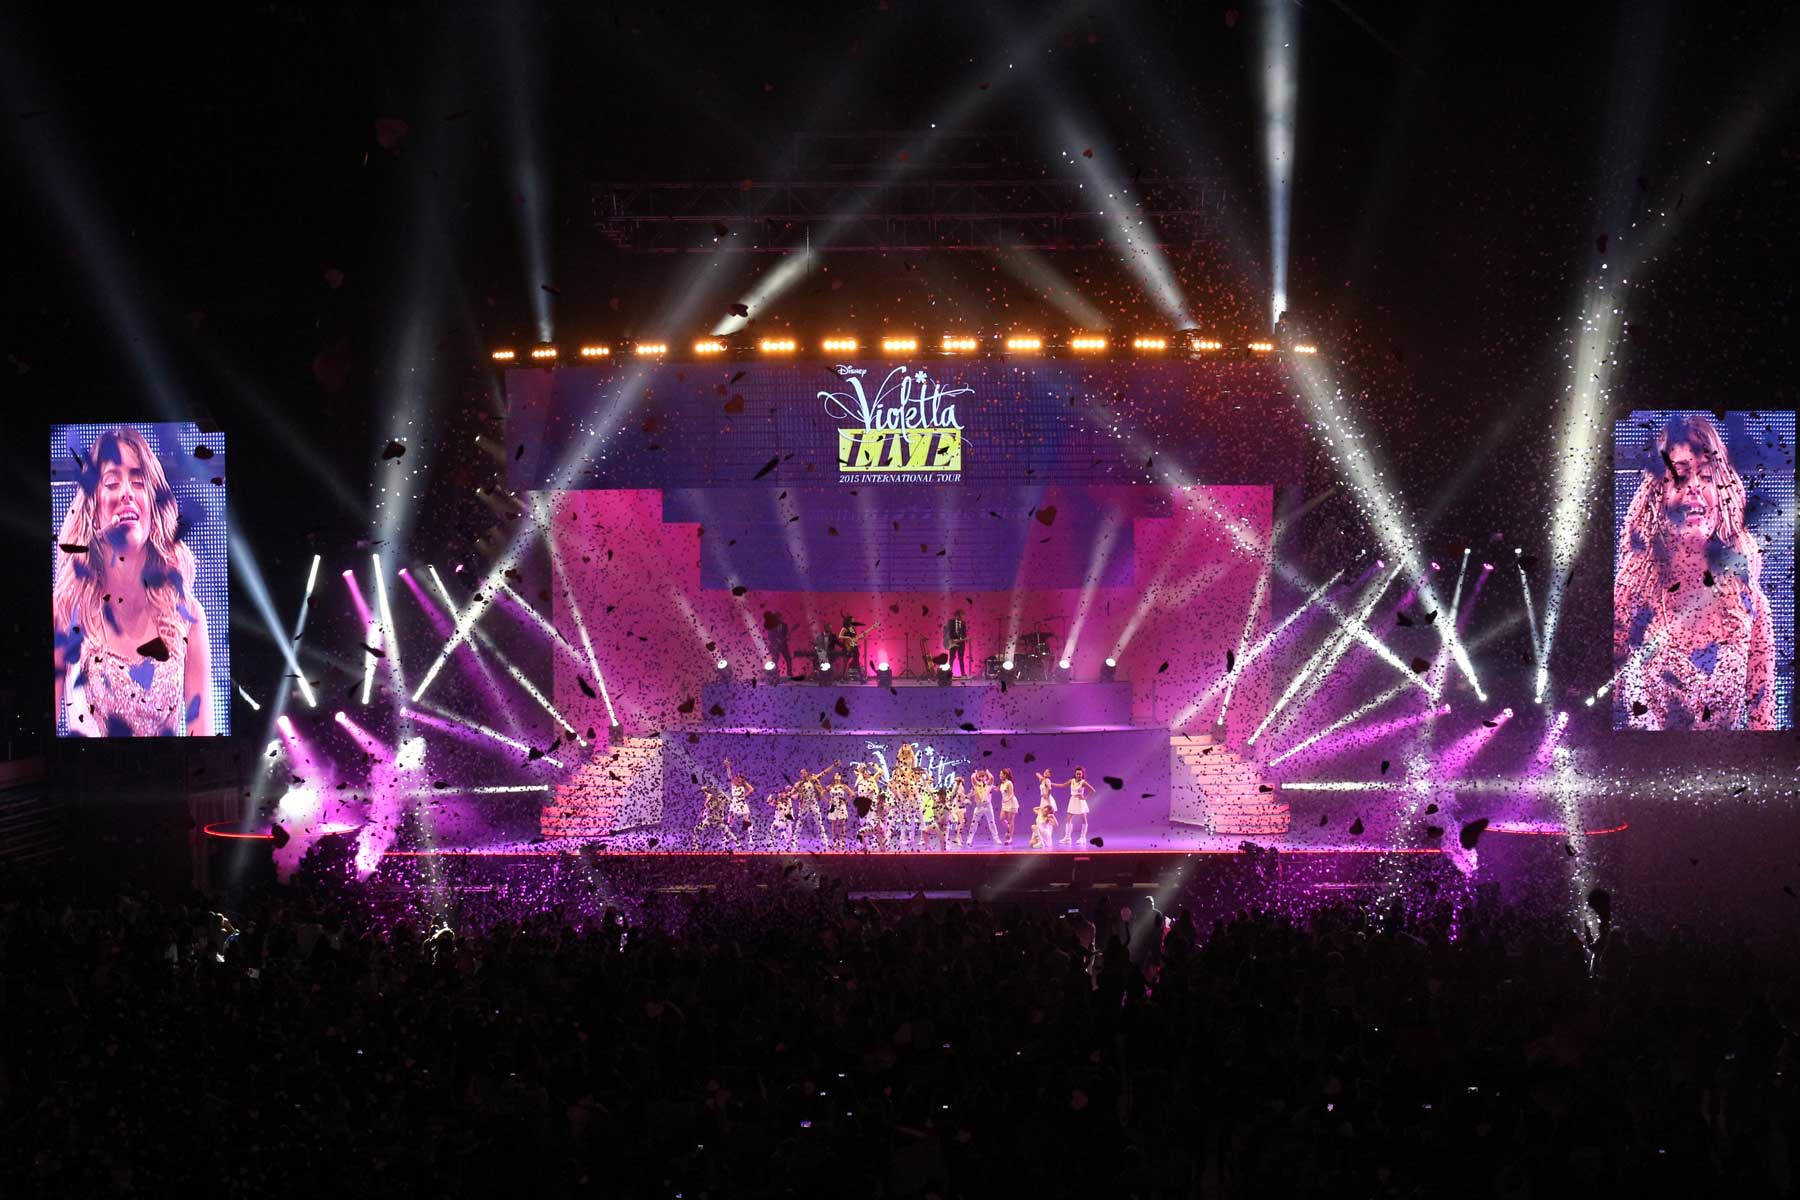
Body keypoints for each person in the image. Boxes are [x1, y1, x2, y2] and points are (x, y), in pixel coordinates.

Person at [1613, 413, 1777, 730]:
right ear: (1657, 496)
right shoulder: (1628, 596)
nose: (1694, 488)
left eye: (1706, 476)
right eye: (1680, 476)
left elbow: (1764, 725)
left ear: (1724, 493)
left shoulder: (1752, 604)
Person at [54, 426, 212, 737]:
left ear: (153, 505)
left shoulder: (188, 615)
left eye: (138, 482)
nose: (127, 492)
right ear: (93, 508)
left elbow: (204, 740)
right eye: (112, 482)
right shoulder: (65, 610)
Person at [1063, 766, 1096, 847]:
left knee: (1083, 819)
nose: (1078, 775)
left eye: (1080, 774)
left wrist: (1085, 798)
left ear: (1082, 774)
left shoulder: (1083, 782)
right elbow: (1062, 785)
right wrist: (1051, 783)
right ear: (1075, 774)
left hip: (1080, 802)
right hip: (1072, 801)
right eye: (1077, 774)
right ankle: (1067, 837)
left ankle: (1082, 837)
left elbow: (1093, 790)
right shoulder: (1071, 781)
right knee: (1068, 819)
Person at [966, 767, 999, 847]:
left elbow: (992, 778)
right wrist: (975, 773)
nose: (981, 778)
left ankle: (996, 838)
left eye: (983, 776)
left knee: (991, 822)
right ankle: (969, 839)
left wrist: (987, 772)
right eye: (980, 776)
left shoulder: (989, 784)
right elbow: (972, 778)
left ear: (985, 777)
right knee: (974, 823)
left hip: (988, 806)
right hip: (979, 806)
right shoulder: (977, 785)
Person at [1035, 768, 1061, 844]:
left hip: (1047, 800)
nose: (1046, 773)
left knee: (1048, 817)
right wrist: (1041, 777)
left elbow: (1050, 788)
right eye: (1045, 771)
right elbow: (1037, 773)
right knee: (1042, 816)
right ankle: (1042, 837)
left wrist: (1047, 795)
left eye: (1048, 772)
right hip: (1043, 800)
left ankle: (1048, 838)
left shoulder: (1047, 780)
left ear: (1050, 775)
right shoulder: (1043, 780)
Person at [826, 771, 851, 849]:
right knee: (834, 824)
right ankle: (835, 841)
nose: (836, 777)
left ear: (840, 777)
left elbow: (852, 794)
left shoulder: (843, 786)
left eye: (838, 775)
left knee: (842, 823)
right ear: (834, 777)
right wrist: (828, 801)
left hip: (841, 806)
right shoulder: (830, 786)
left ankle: (843, 842)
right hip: (833, 806)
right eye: (835, 775)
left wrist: (846, 801)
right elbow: (822, 793)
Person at [944, 774, 969, 848]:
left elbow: (961, 797)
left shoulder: (960, 788)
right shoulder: (958, 788)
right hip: (958, 807)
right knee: (961, 822)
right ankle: (957, 837)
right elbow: (960, 798)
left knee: (961, 822)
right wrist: (967, 800)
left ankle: (958, 837)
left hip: (959, 806)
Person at [943, 608, 969, 677]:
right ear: (957, 615)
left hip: (961, 643)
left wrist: (965, 639)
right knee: (952, 658)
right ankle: (949, 673)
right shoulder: (951, 622)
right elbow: (946, 631)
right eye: (961, 615)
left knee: (961, 658)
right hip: (953, 642)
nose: (962, 617)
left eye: (962, 615)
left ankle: (963, 673)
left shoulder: (963, 623)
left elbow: (964, 633)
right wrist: (950, 640)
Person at [998, 767, 1020, 846]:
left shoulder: (1009, 783)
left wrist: (1007, 799)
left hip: (1011, 803)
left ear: (1005, 775)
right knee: (1001, 818)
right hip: (1005, 804)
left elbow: (1012, 794)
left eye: (1001, 774)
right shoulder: (1002, 784)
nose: (999, 775)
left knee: (1011, 820)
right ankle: (1008, 828)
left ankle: (1010, 838)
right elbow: (1000, 791)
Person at [770, 612, 793, 678]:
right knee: (774, 661)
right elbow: (769, 636)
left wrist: (788, 637)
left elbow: (786, 635)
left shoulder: (785, 625)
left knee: (788, 659)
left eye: (780, 617)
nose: (781, 618)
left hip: (784, 646)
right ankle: (774, 675)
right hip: (775, 646)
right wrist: (776, 640)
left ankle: (789, 675)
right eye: (779, 617)